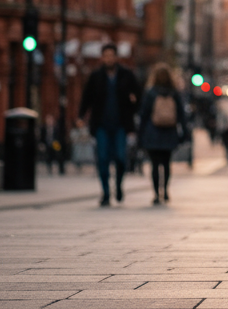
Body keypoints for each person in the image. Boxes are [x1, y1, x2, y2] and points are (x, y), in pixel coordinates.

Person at [78, 43, 140, 206]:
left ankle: (118, 185)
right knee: (103, 159)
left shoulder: (126, 74)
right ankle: (105, 192)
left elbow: (139, 94)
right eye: (106, 56)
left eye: (111, 55)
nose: (109, 58)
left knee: (121, 158)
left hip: (121, 124)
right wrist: (81, 116)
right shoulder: (96, 76)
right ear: (102, 57)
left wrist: (134, 110)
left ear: (116, 57)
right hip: (101, 125)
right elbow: (87, 98)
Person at [138, 63, 188, 205]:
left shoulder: (150, 92)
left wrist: (140, 134)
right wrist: (184, 132)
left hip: (152, 132)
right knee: (166, 164)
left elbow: (144, 114)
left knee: (154, 165)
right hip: (169, 132)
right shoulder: (174, 92)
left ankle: (156, 194)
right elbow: (181, 115)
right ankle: (165, 190)